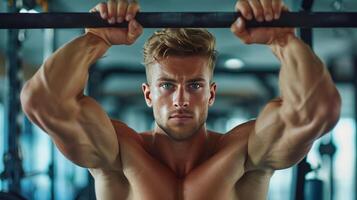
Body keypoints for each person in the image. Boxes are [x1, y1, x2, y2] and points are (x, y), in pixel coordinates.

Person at [20, 0, 341, 199]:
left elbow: (315, 111)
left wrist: (283, 40)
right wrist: (95, 40)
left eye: (196, 85)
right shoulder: (119, 154)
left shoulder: (243, 155)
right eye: (167, 85)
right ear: (147, 94)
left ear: (212, 93)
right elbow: (43, 102)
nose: (181, 99)